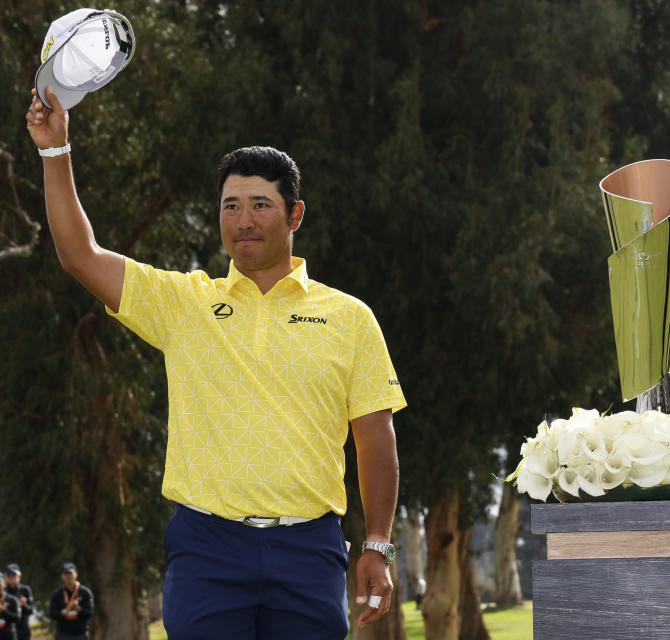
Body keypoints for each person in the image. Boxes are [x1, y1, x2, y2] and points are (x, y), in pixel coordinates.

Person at [27, 86, 405, 639]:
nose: (244, 220)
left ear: (295, 214)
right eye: (231, 206)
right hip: (207, 550)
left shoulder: (349, 317)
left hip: (309, 549)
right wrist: (54, 152)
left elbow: (375, 437)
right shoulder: (185, 302)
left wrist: (377, 544)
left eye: (260, 205)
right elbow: (79, 255)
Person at [49, 563, 93, 640]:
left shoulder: (85, 592)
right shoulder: (57, 594)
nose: (68, 576)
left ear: (76, 574)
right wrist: (65, 611)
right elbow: (52, 614)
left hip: (81, 635)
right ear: (62, 576)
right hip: (63, 635)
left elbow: (89, 613)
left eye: (70, 573)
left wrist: (78, 609)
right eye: (65, 573)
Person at [3, 565, 32, 640]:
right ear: (5, 576)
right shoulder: (2, 592)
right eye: (9, 574)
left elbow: (31, 610)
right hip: (7, 632)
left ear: (19, 575)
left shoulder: (25, 589)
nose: (11, 577)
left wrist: (23, 605)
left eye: (13, 574)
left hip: (23, 631)